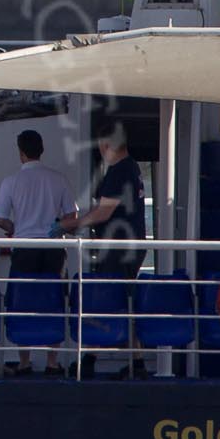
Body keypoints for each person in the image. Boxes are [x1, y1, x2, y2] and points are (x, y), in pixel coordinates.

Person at [60, 122, 148, 378]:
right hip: (128, 247)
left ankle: (89, 358)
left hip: (119, 250)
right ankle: (134, 360)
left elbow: (103, 211)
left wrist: (71, 224)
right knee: (121, 303)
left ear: (106, 145)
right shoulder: (131, 168)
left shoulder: (120, 171)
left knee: (107, 301)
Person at [0, 129, 78, 376]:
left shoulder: (11, 182)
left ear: (21, 153)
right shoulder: (58, 179)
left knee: (23, 301)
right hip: (52, 248)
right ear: (42, 150)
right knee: (54, 300)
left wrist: (16, 229)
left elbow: (0, 219)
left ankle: (24, 360)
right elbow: (71, 216)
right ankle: (52, 361)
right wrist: (55, 227)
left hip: (25, 247)